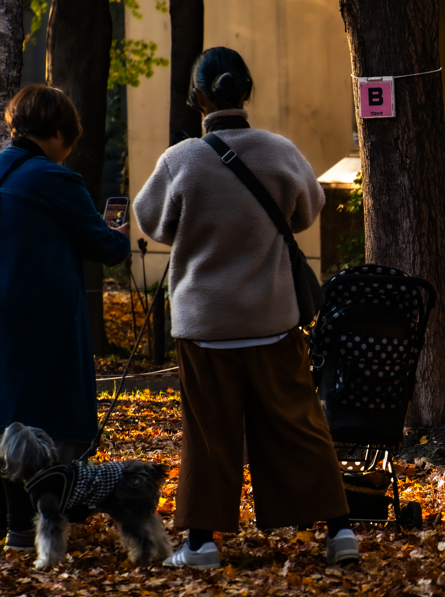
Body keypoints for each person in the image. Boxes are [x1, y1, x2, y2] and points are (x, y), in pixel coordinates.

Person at [133, 47, 356, 569]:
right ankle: (340, 531)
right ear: (247, 93)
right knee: (299, 425)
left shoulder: (181, 160)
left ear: (197, 96)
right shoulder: (280, 151)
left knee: (210, 436)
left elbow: (152, 222)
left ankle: (203, 543)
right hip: (272, 321)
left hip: (206, 326)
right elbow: (308, 212)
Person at [0, 85, 131, 550]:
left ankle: (11, 523)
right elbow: (105, 246)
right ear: (57, 133)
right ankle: (32, 526)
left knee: (7, 412)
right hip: (41, 321)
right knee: (44, 419)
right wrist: (118, 230)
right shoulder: (55, 179)